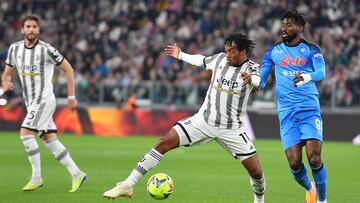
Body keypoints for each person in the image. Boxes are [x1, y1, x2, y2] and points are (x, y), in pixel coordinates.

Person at [103, 33, 266, 203]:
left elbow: (258, 79)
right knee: (164, 142)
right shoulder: (219, 60)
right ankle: (128, 184)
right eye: (226, 50)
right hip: (203, 121)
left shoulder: (252, 68)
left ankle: (259, 199)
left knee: (256, 172)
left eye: (232, 51)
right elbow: (201, 60)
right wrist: (180, 55)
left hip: (232, 129)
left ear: (243, 52)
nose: (227, 54)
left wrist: (251, 80)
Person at [1, 14, 87, 192]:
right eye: (28, 27)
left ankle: (36, 177)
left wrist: (71, 97)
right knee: (49, 139)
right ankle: (77, 173)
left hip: (44, 100)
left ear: (39, 29)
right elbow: (7, 71)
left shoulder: (47, 50)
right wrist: (5, 81)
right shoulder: (14, 49)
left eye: (34, 27)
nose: (31, 30)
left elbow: (68, 69)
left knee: (25, 133)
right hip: (31, 102)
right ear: (22, 29)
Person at [260, 10, 327, 203]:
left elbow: (321, 72)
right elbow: (262, 80)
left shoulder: (312, 49)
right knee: (295, 163)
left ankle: (322, 201)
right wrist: (254, 82)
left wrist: (307, 76)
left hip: (309, 109)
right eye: (283, 25)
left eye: (289, 25)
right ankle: (310, 187)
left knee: (314, 159)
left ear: (300, 27)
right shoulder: (273, 51)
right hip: (287, 113)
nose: (284, 28)